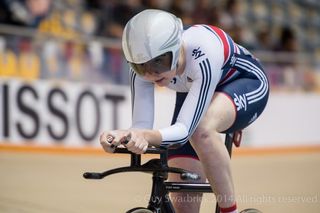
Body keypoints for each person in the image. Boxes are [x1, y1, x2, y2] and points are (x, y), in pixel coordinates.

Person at [100, 9, 269, 213]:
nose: (150, 73)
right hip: (192, 88)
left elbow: (184, 131)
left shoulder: (204, 51)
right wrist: (124, 135)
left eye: (159, 62)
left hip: (243, 81)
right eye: (139, 66)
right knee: (185, 207)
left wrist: (143, 135)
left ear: (177, 47)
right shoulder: (143, 60)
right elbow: (141, 127)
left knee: (201, 131)